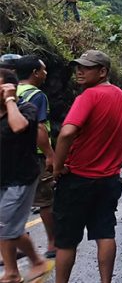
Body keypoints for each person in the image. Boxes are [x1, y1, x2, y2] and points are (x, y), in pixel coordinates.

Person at [52, 50, 122, 283]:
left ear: (102, 71)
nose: (79, 71)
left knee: (65, 241)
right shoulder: (120, 96)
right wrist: (121, 159)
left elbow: (67, 132)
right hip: (108, 180)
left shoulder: (87, 96)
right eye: (78, 66)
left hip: (77, 180)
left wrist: (57, 166)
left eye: (87, 67)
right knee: (104, 232)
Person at [0, 68, 55, 283]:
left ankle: (12, 274)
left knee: (5, 226)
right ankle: (38, 262)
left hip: (21, 178)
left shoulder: (26, 108)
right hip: (2, 178)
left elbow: (19, 126)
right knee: (10, 226)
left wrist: (10, 101)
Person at [15, 55, 57, 259]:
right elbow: (40, 127)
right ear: (35, 73)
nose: (45, 73)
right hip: (35, 155)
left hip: (10, 155)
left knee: (13, 201)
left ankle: (14, 246)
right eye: (44, 70)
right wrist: (50, 154)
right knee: (45, 200)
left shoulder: (8, 92)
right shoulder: (37, 95)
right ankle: (52, 243)